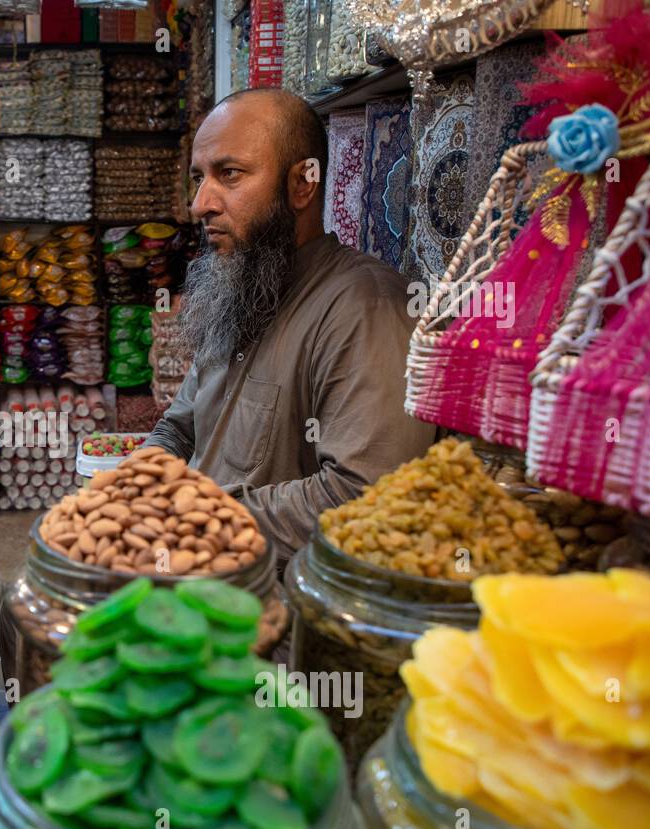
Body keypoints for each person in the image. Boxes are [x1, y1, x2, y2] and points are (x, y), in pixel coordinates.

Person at [145, 89, 435, 566]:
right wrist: (134, 485)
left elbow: (366, 497)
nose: (200, 204)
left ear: (303, 184)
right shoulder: (240, 285)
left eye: (229, 174)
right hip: (191, 568)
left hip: (272, 607)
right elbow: (180, 429)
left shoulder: (365, 309)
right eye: (198, 179)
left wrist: (194, 522)